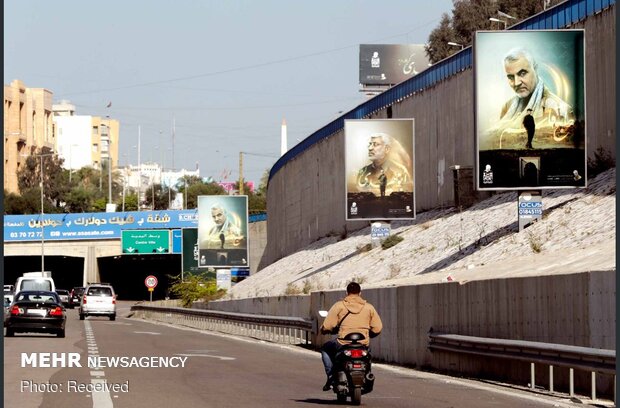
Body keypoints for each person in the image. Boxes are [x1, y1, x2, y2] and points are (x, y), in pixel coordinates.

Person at [319, 282, 383, 391]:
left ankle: (330, 376)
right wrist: (368, 334)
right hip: (362, 344)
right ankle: (367, 374)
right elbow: (378, 328)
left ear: (347, 292)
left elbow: (327, 325)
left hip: (343, 343)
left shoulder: (339, 306)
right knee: (368, 356)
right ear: (360, 293)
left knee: (326, 348)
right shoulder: (369, 308)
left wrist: (324, 330)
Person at [499, 48, 573, 127]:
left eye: (522, 73)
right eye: (511, 77)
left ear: (535, 69)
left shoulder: (561, 110)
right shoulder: (507, 107)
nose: (517, 83)